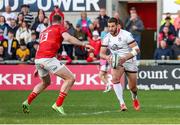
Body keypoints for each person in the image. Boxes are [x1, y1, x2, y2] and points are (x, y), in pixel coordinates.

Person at [22, 15, 94, 115]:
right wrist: (84, 45)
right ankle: (58, 104)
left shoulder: (45, 31)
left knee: (45, 83)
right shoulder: (59, 28)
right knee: (70, 78)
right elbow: (68, 38)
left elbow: (41, 47)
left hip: (38, 59)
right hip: (48, 58)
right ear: (61, 21)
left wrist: (37, 65)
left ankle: (27, 102)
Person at [100, 17, 140, 111]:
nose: (110, 28)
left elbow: (137, 50)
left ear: (117, 26)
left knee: (133, 87)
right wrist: (107, 57)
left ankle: (134, 98)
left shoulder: (126, 35)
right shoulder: (106, 37)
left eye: (112, 26)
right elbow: (101, 53)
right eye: (109, 26)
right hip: (117, 61)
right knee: (114, 79)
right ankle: (122, 104)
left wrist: (125, 58)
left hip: (130, 60)